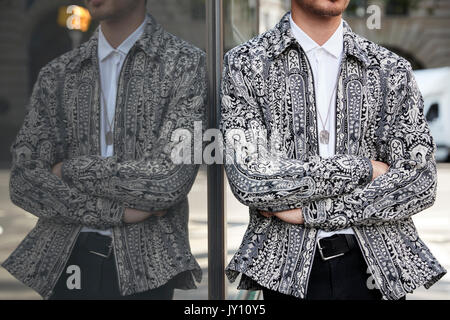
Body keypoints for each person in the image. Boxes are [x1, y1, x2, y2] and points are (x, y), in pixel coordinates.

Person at [221, 0, 446, 300]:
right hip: (286, 272)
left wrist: (310, 211)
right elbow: (251, 178)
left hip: (377, 269)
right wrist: (365, 169)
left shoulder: (390, 70)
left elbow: (420, 183)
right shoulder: (246, 64)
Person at [3, 0, 206, 299]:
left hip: (148, 266)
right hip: (65, 258)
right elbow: (23, 181)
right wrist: (118, 210)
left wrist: (67, 170)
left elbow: (168, 181)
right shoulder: (57, 74)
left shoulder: (185, 64)